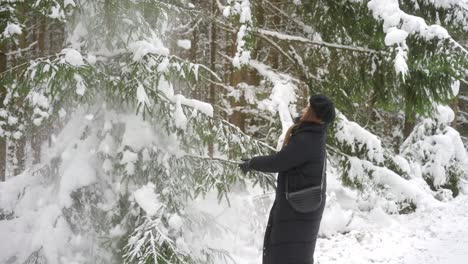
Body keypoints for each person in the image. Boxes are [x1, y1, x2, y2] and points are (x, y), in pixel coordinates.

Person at [239, 94, 335, 264]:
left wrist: (252, 163)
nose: (304, 110)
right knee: (294, 254)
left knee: (285, 255)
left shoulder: (308, 139)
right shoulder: (313, 135)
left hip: (296, 210)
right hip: (300, 209)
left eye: (308, 108)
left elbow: (279, 162)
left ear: (315, 115)